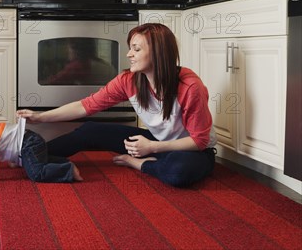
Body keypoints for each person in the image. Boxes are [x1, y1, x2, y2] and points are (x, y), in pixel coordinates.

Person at [17, 23, 217, 187]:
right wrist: (40, 116)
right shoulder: (129, 80)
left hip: (192, 150)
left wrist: (150, 149)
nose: (129, 54)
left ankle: (140, 165)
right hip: (155, 142)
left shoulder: (190, 86)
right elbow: (86, 106)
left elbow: (199, 141)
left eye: (136, 49)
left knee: (179, 172)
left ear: (159, 53)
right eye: (130, 48)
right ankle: (26, 155)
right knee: (89, 131)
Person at [0, 87, 83, 184]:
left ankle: (67, 170)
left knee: (36, 174)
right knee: (34, 161)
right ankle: (62, 161)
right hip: (29, 140)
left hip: (28, 144)